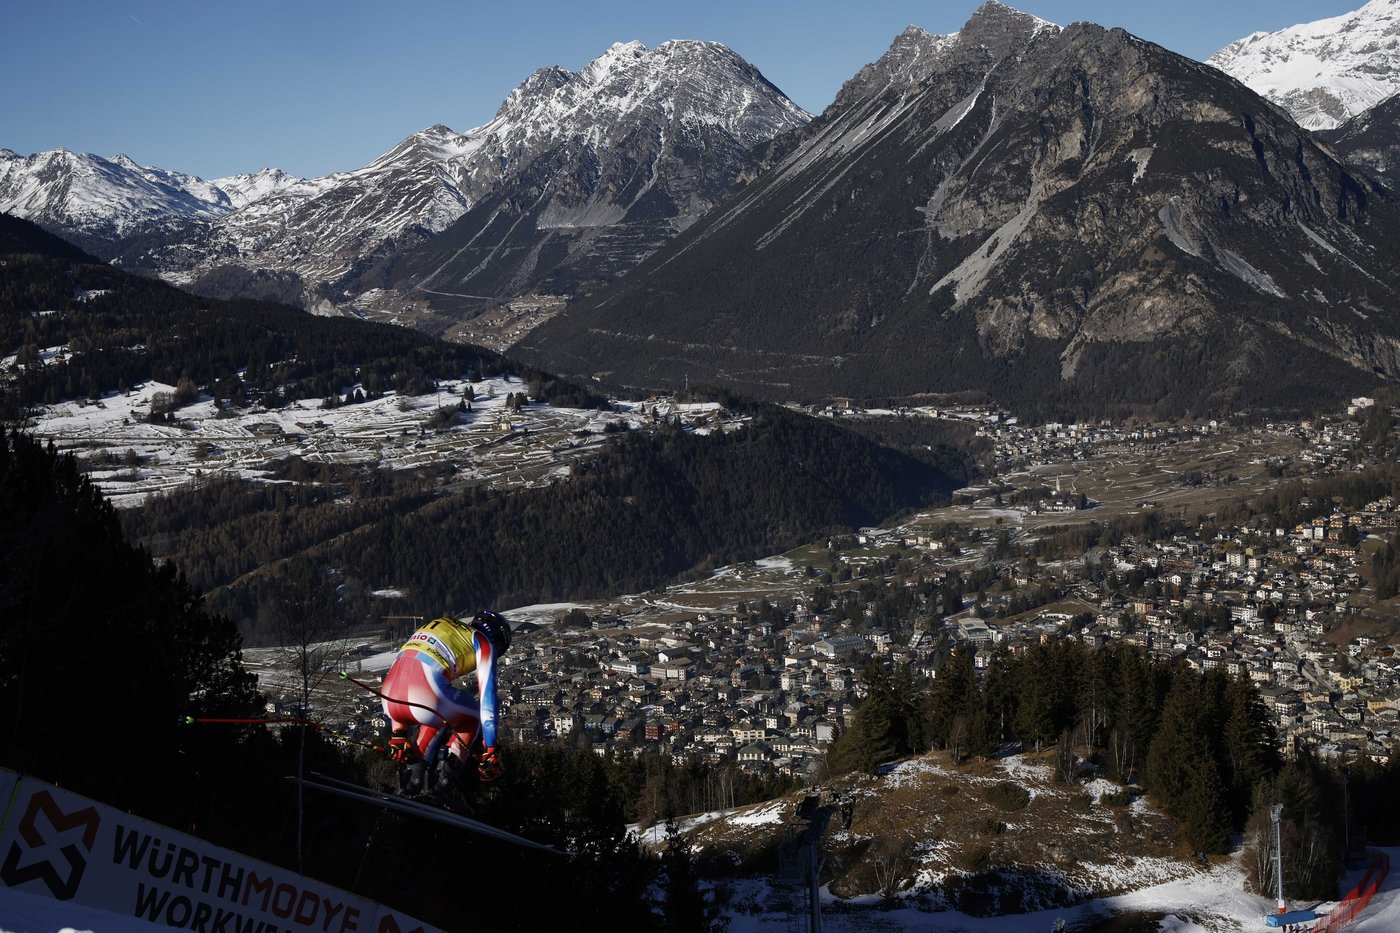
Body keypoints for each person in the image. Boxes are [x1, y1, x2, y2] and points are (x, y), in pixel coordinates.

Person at [381, 611, 511, 791]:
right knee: (474, 716)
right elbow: (487, 699)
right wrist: (490, 748)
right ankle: (444, 783)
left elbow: (405, 673)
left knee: (442, 715)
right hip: (424, 692)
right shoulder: (483, 642)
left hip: (389, 698)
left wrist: (398, 732)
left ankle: (413, 779)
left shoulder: (443, 625)